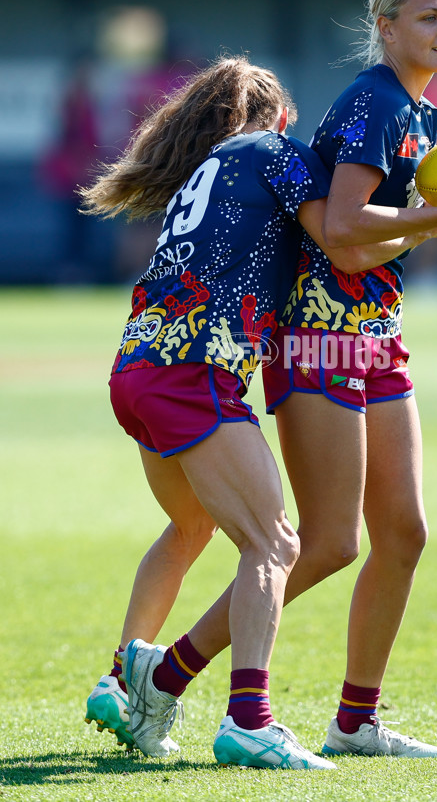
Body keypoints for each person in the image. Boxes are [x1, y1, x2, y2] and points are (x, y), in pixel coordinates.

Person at [84, 0, 437, 762]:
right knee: (308, 543)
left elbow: (363, 242)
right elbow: (347, 235)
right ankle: (186, 688)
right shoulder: (363, 107)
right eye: (429, 15)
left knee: (398, 533)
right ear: (384, 26)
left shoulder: (412, 115)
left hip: (329, 336)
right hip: (311, 337)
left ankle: (341, 716)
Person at [79, 55, 359, 770]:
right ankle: (249, 720)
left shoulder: (205, 172)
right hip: (193, 370)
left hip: (138, 366)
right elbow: (339, 234)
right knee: (275, 544)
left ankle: (125, 682)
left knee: (192, 523)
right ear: (283, 118)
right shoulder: (274, 151)